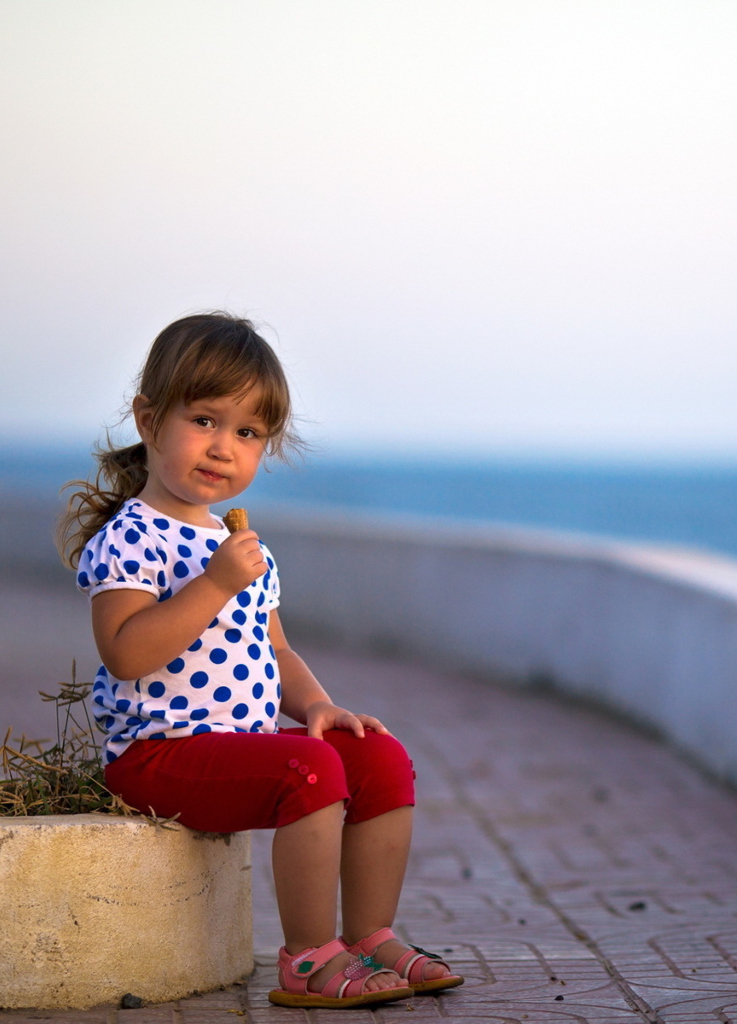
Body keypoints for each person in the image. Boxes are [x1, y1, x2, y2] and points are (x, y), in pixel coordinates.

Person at [59, 313, 463, 1010]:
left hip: (239, 746)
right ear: (149, 420)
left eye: (247, 433)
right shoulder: (132, 537)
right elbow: (125, 653)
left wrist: (316, 706)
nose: (223, 448)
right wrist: (213, 584)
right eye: (206, 420)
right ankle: (307, 959)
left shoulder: (244, 548)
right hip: (159, 754)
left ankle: (369, 935)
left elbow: (274, 649)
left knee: (375, 756)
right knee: (309, 769)